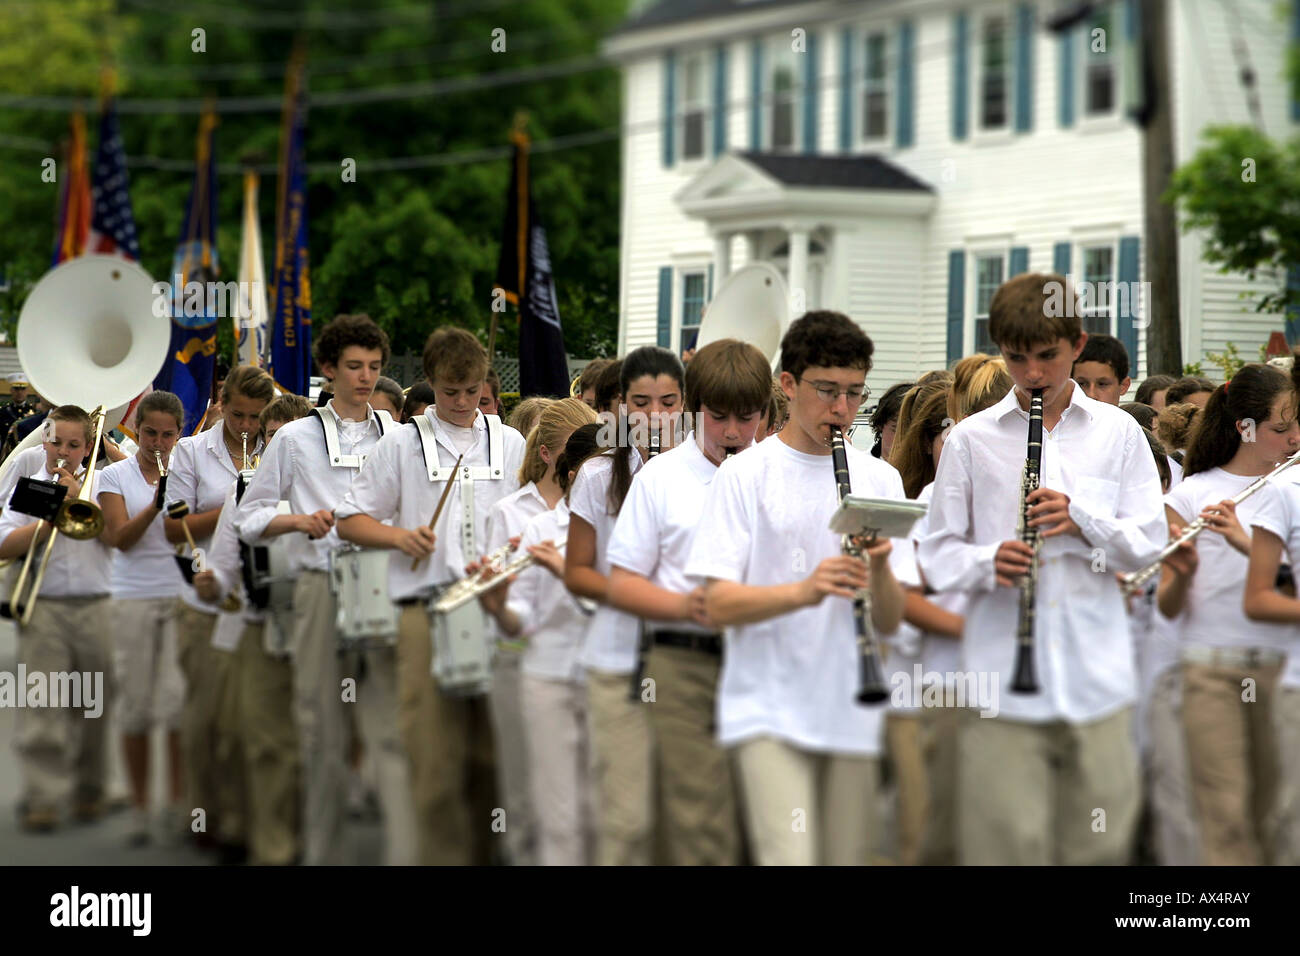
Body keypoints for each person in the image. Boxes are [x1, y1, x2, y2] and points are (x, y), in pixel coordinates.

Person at [918, 272, 1166, 866]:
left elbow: (1149, 546)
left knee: (1099, 852)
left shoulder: (1119, 432)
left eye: (1047, 357)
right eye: (1016, 358)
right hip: (1002, 684)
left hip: (1097, 679)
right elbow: (936, 552)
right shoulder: (970, 441)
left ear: (1078, 345)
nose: (1032, 374)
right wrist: (986, 560)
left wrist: (1083, 521)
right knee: (1007, 850)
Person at [685, 312, 910, 866]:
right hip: (767, 708)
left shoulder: (880, 479)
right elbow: (715, 603)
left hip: (852, 708)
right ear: (788, 385)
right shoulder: (745, 474)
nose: (842, 409)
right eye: (827, 391)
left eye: (855, 394)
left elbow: (890, 621)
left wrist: (879, 568)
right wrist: (804, 591)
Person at [336, 325, 526, 865]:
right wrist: (400, 536)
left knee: (494, 757)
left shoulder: (509, 441)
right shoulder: (400, 442)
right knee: (432, 756)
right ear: (431, 384)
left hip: (491, 608)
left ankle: (489, 855)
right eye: (450, 392)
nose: (462, 403)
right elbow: (349, 519)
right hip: (423, 612)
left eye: (471, 391)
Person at [234, 315, 405, 866]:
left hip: (381, 585)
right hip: (317, 587)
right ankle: (322, 855)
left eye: (374, 368)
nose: (365, 377)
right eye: (354, 366)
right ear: (327, 370)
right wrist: (298, 521)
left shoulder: (400, 438)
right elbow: (249, 516)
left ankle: (405, 853)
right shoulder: (293, 435)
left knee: (391, 731)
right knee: (321, 733)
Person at [607, 339, 771, 866]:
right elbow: (623, 583)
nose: (731, 432)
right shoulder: (660, 478)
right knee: (699, 820)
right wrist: (687, 607)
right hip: (684, 662)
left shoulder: (777, 473)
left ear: (766, 414)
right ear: (694, 410)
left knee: (760, 820)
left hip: (765, 660)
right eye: (717, 417)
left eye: (746, 418)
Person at [1163, 364, 1299, 865]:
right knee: (1224, 811)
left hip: (1285, 671)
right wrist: (1178, 569)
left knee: (1280, 813)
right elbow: (1167, 605)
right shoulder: (1191, 494)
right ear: (1244, 427)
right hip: (1211, 668)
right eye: (1280, 429)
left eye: (1298, 427)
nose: (1293, 440)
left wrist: (1245, 543)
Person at [565, 345, 685, 866]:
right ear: (620, 406)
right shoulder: (596, 476)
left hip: (686, 663)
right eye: (641, 403)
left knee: (678, 817)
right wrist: (637, 594)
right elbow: (577, 571)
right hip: (617, 662)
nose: (655, 417)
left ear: (686, 404)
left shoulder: (712, 473)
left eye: (668, 402)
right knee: (626, 818)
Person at [477, 404, 601, 865]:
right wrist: (496, 605)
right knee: (543, 801)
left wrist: (570, 573)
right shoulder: (531, 523)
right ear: (565, 468)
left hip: (600, 673)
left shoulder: (617, 523)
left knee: (598, 808)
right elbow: (520, 616)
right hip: (536, 666)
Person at [193, 393, 311, 865]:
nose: (275, 448)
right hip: (252, 623)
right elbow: (223, 562)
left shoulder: (326, 491)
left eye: (286, 438)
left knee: (304, 738)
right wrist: (210, 584)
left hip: (308, 621)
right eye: (270, 437)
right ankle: (258, 834)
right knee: (252, 736)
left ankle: (299, 829)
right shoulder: (243, 489)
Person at [166, 364, 275, 857]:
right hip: (203, 595)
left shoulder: (275, 447)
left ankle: (246, 816)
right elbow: (174, 527)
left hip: (254, 600)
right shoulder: (191, 450)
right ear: (221, 402)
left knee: (247, 719)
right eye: (237, 415)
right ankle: (204, 811)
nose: (246, 426)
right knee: (206, 714)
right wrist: (238, 504)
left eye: (255, 417)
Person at [0, 405, 115, 831]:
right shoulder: (29, 487)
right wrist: (51, 516)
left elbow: (119, 539)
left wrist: (79, 497)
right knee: (42, 703)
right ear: (44, 441)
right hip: (45, 604)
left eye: (73, 445)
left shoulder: (104, 483)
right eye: (56, 443)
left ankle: (90, 790)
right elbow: (4, 543)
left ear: (88, 448)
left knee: (94, 706)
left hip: (97, 603)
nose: (62, 453)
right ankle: (43, 797)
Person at [474, 394, 563, 866]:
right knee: (521, 787)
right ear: (547, 453)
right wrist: (497, 591)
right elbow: (502, 606)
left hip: (572, 659)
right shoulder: (509, 512)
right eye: (573, 451)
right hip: (517, 656)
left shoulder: (592, 509)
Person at [96, 390, 187, 846]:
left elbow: (191, 536)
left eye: (168, 435)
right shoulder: (115, 475)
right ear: (139, 430)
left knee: (174, 705)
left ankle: (173, 804)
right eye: (150, 432)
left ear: (179, 433)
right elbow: (118, 540)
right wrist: (155, 506)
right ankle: (139, 806)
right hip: (132, 596)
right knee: (135, 705)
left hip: (179, 596)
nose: (158, 442)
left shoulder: (185, 469)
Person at [885, 384, 966, 866]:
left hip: (987, 688)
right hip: (922, 689)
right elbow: (904, 603)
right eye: (950, 432)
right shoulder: (918, 505)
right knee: (925, 831)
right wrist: (976, 628)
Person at [1072, 332, 1131, 405]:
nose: (1091, 395)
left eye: (1102, 384)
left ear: (1123, 386)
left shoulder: (1127, 417)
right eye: (1081, 384)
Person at [869, 381, 912, 460]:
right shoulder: (857, 468)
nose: (903, 439)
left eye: (911, 432)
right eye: (896, 430)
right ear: (880, 425)